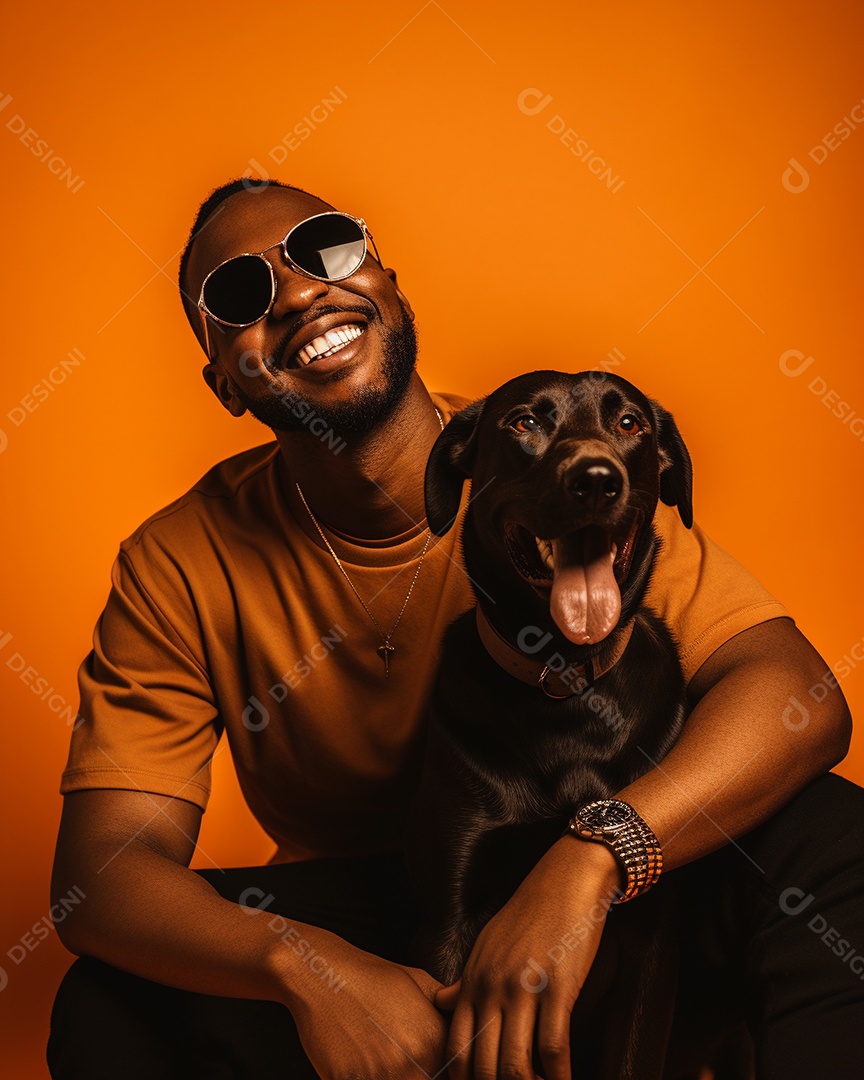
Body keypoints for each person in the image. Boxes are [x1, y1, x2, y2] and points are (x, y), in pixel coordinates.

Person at [47, 178, 863, 1080]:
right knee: (107, 999)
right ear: (225, 384)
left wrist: (593, 859)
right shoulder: (179, 559)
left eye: (327, 247)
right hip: (376, 916)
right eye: (240, 295)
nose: (297, 292)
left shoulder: (554, 463)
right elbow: (106, 875)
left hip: (615, 905)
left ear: (391, 286)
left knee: (829, 831)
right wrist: (308, 971)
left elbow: (801, 700)